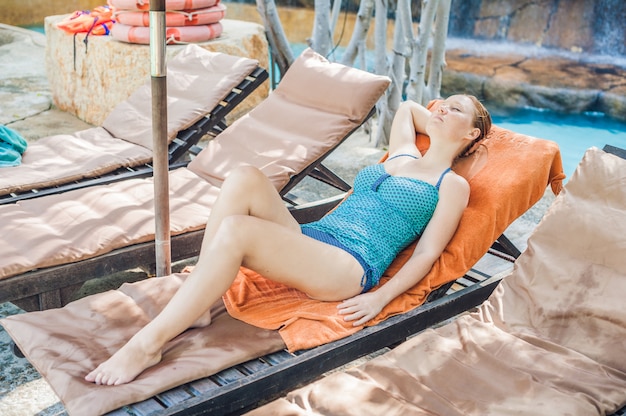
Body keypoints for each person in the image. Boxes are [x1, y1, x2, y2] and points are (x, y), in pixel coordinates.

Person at [85, 94, 492, 386]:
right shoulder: (403, 152)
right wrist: (445, 117)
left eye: (455, 109)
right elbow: (406, 108)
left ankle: (148, 344)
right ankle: (202, 305)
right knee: (245, 176)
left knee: (237, 231)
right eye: (440, 103)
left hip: (349, 265)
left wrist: (379, 298)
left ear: (472, 133)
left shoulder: (450, 184)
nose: (439, 109)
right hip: (315, 239)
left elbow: (428, 252)